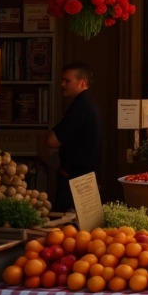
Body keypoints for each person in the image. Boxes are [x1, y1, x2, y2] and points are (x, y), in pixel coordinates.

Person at [44, 63, 103, 212]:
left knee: (67, 226)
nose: (62, 84)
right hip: (87, 176)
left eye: (67, 81)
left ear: (82, 83)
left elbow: (52, 141)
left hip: (76, 180)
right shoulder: (89, 103)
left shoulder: (80, 107)